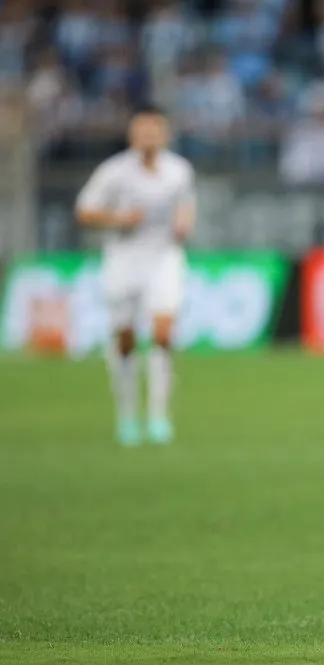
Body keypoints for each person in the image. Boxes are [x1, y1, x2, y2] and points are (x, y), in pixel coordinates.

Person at [74, 104, 196, 446]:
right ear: (132, 135)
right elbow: (84, 210)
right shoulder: (114, 172)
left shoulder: (178, 170)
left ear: (165, 134)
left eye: (154, 131)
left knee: (163, 332)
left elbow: (186, 203)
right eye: (142, 131)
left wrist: (185, 222)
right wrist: (119, 220)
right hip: (124, 258)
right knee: (125, 340)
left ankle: (159, 415)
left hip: (164, 257)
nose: (148, 137)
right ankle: (127, 414)